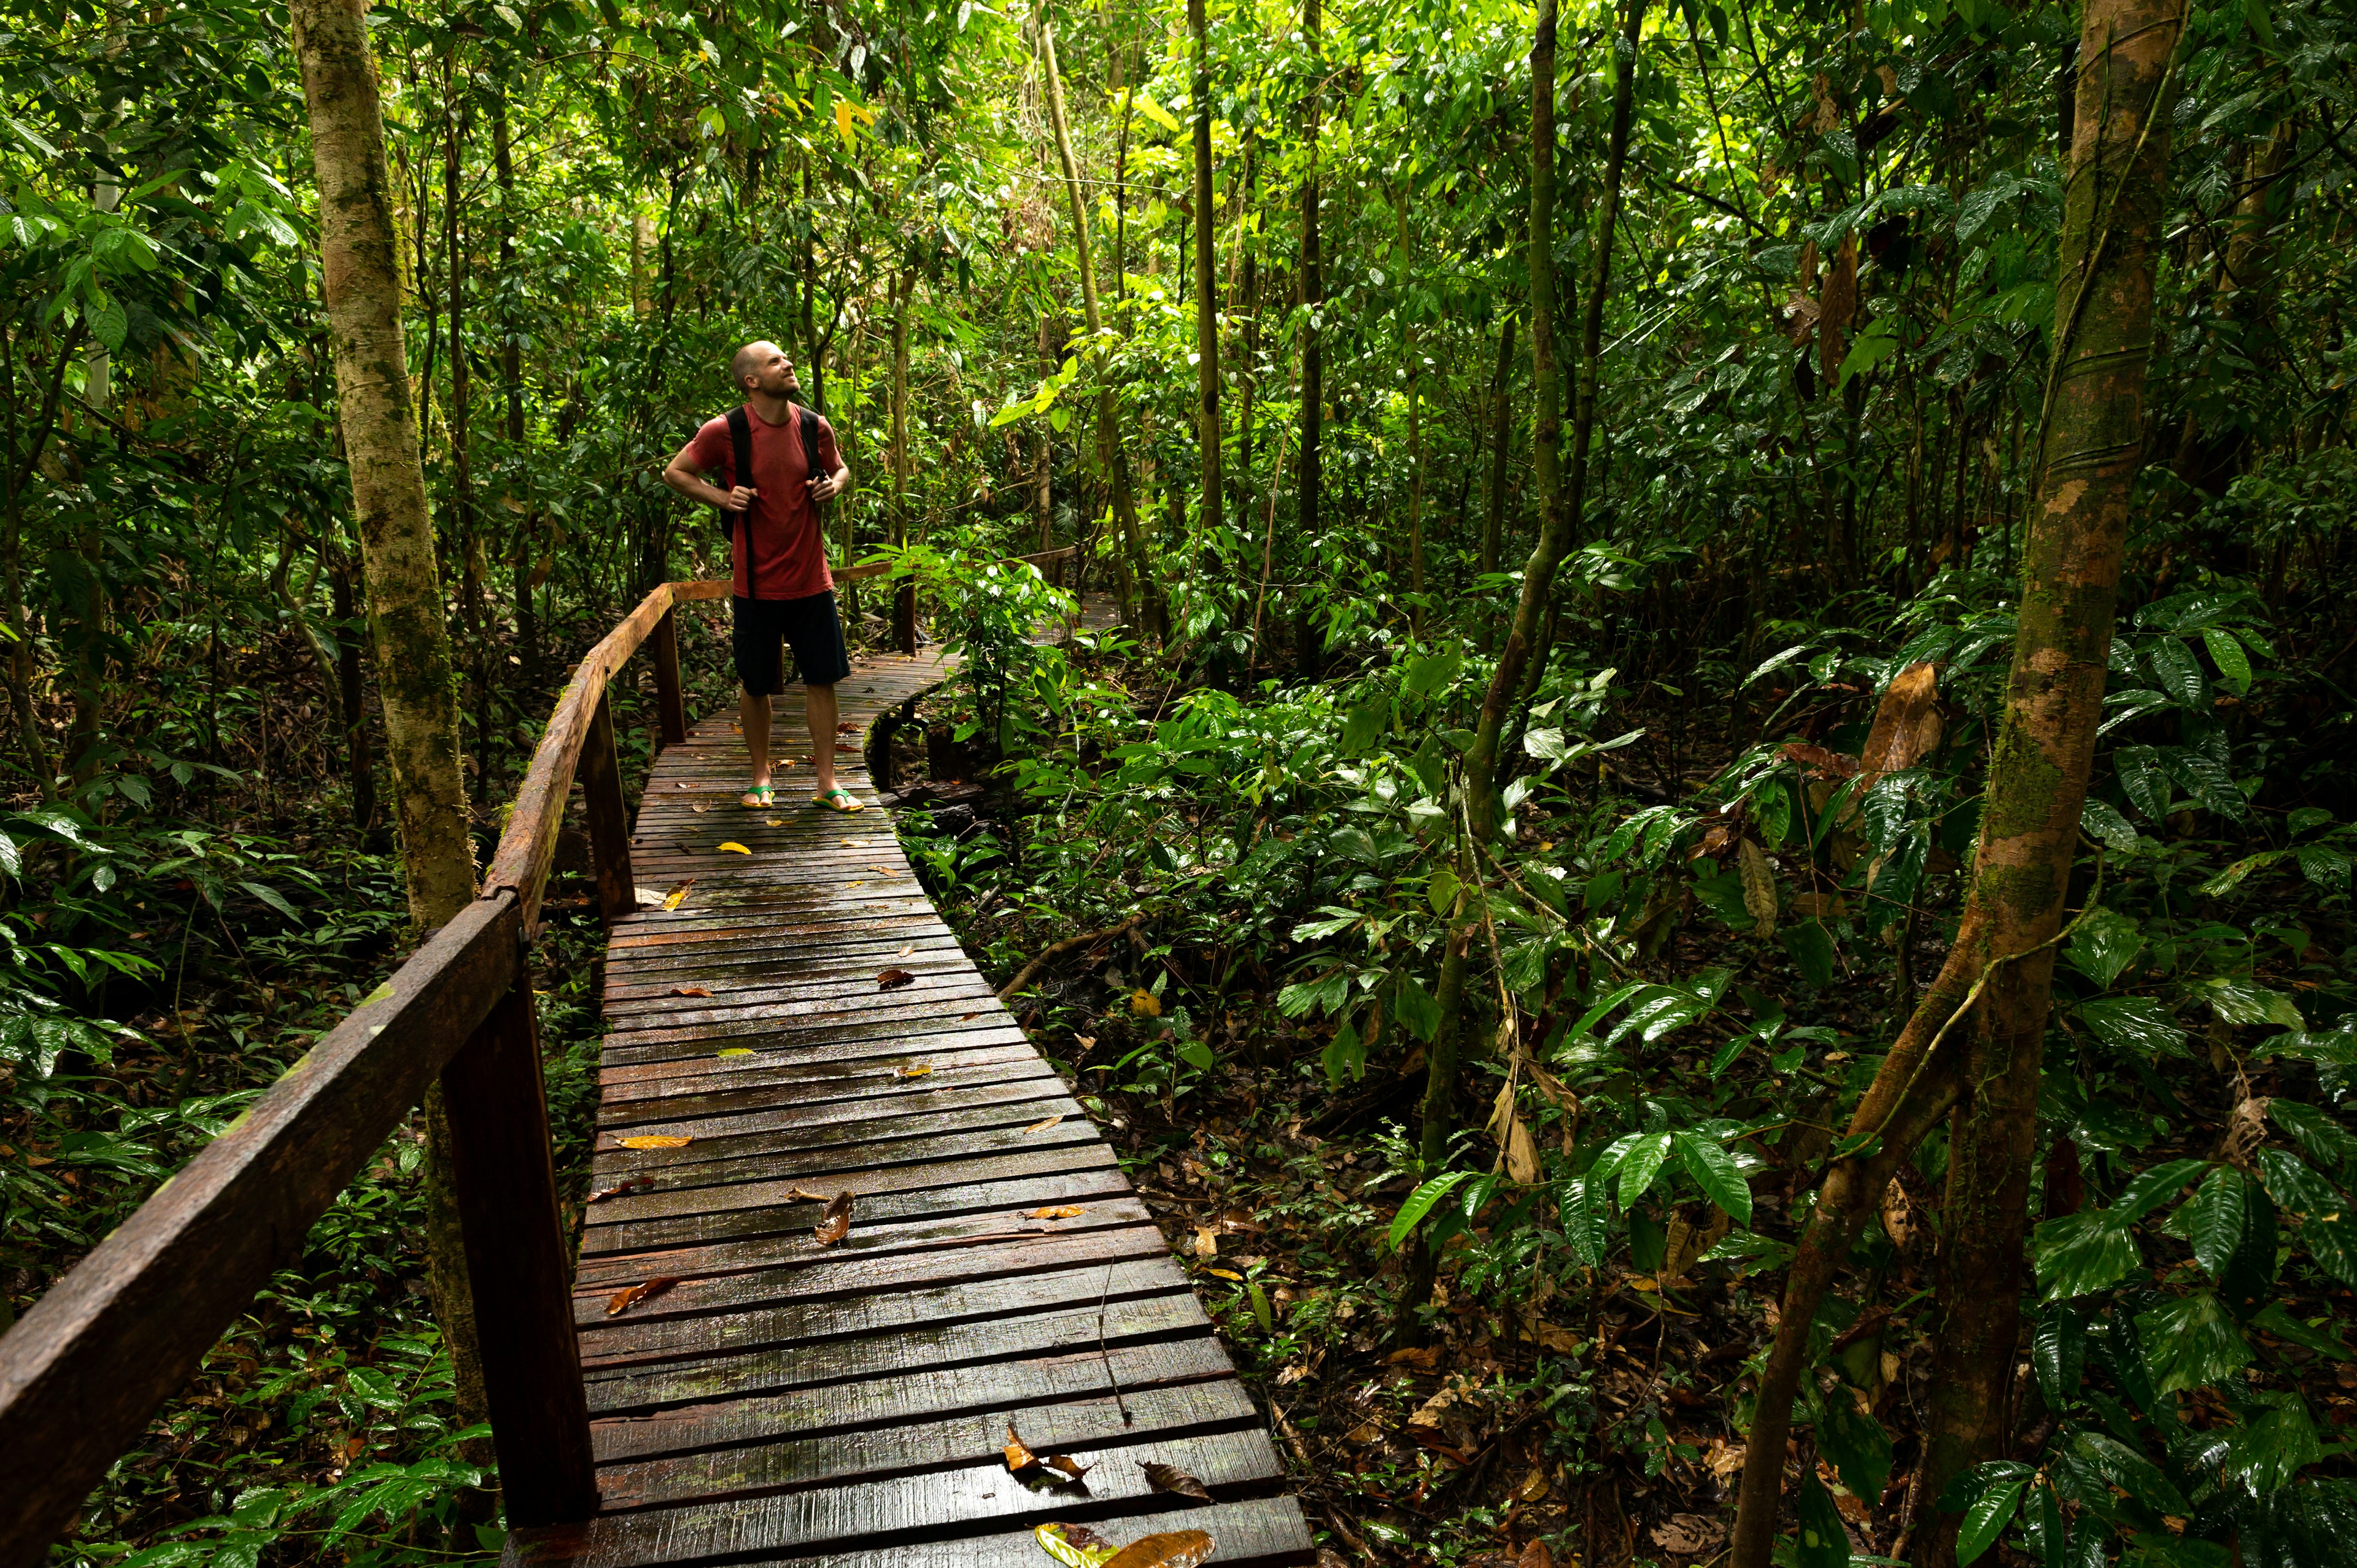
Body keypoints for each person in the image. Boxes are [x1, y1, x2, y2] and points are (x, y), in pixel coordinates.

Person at [660, 341, 861, 812]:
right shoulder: (726, 430)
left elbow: (841, 468)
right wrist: (721, 497)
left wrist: (835, 484)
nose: (788, 365)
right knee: (755, 683)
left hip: (812, 578)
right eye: (776, 362)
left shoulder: (814, 426)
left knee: (822, 679)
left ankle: (827, 782)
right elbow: (676, 472)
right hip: (755, 583)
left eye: (786, 359)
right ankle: (760, 777)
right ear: (752, 381)